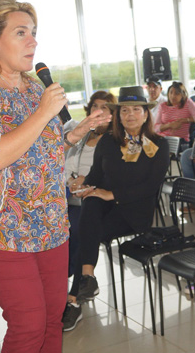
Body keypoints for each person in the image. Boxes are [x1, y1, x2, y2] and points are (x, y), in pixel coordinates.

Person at [0, 0, 109, 352]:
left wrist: (74, 133)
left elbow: (40, 146)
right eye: (21, 32)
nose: (33, 42)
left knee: (51, 317)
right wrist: (44, 113)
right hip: (0, 229)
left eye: (34, 33)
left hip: (50, 223)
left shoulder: (32, 88)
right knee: (27, 323)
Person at [73, 86, 169, 303]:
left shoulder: (159, 145)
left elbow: (151, 186)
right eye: (124, 111)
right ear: (118, 116)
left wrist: (112, 194)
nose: (130, 115)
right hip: (105, 209)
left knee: (85, 232)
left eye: (136, 109)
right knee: (90, 205)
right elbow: (95, 175)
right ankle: (86, 279)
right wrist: (84, 187)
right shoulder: (108, 141)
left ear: (146, 115)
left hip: (134, 213)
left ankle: (75, 295)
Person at [62, 91, 116, 331]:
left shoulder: (116, 140)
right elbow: (68, 167)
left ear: (113, 114)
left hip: (101, 201)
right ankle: (61, 289)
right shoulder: (83, 137)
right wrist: (72, 182)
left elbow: (112, 177)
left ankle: (73, 300)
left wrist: (87, 184)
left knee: (76, 230)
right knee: (58, 227)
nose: (100, 111)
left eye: (106, 107)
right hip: (74, 196)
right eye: (96, 106)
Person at [154, 81, 195, 146]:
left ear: (182, 95)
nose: (173, 96)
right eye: (171, 93)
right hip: (163, 139)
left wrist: (184, 120)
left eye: (177, 93)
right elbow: (156, 128)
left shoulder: (187, 103)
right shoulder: (162, 106)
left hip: (180, 141)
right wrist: (170, 125)